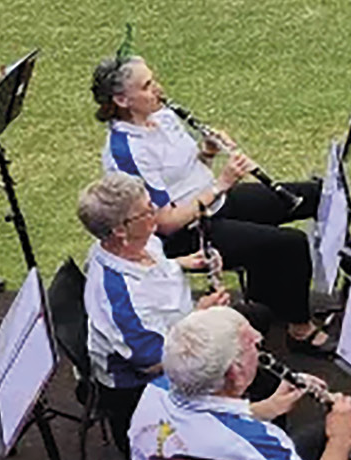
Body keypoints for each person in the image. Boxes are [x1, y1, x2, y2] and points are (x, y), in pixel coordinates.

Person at [92, 53, 329, 353]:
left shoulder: (162, 116)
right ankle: (299, 330)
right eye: (147, 85)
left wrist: (208, 150)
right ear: (123, 100)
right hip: (187, 232)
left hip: (214, 201)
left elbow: (188, 169)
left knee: (315, 195)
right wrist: (223, 183)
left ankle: (272, 299)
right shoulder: (127, 151)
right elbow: (165, 223)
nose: (158, 89)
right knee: (289, 244)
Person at [128, 306, 351, 460]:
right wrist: (341, 439)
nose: (259, 338)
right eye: (251, 343)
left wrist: (269, 408)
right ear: (235, 374)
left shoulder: (155, 390)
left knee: (313, 438)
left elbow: (205, 421)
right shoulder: (259, 444)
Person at [78, 171, 239, 442]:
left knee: (255, 324)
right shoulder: (119, 298)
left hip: (180, 332)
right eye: (145, 211)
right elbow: (152, 362)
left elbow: (150, 270)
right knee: (249, 377)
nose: (156, 212)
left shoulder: (136, 241)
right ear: (119, 229)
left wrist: (185, 263)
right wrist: (200, 316)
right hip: (144, 386)